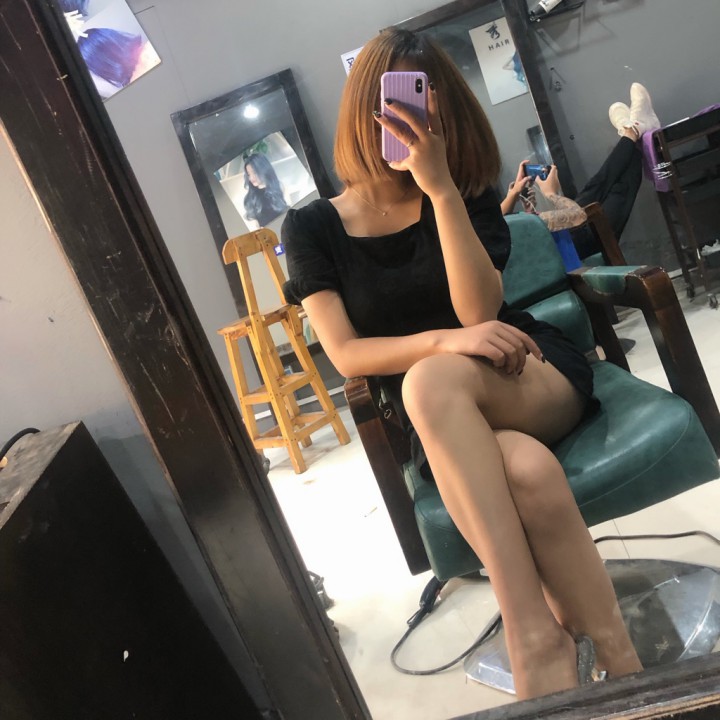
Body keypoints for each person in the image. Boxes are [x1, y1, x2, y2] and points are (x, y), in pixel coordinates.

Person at [281, 28, 642, 700]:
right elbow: (347, 353)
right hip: (441, 419)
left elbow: (479, 312)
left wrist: (442, 192)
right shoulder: (310, 229)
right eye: (397, 101)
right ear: (364, 109)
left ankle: (530, 635)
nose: (414, 117)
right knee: (526, 469)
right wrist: (445, 344)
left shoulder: (464, 190)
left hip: (523, 371)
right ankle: (622, 664)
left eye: (428, 102)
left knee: (428, 381)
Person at [502, 83, 661, 265]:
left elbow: (497, 224)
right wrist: (551, 194)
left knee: (596, 187)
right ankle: (634, 130)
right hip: (556, 250)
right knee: (616, 191)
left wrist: (518, 201)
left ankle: (633, 131)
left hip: (546, 237)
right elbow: (576, 217)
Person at [243, 153, 290, 228]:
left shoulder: (280, 187)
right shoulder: (251, 198)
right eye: (249, 174)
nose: (251, 178)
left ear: (263, 170)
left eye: (254, 172)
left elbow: (287, 210)